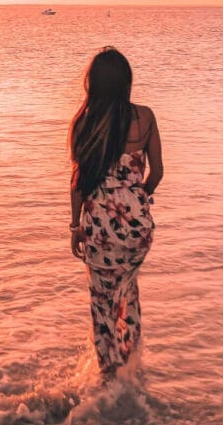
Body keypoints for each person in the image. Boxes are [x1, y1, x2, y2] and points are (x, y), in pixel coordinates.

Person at [69, 47, 163, 380]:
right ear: (126, 81)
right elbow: (158, 173)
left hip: (98, 228)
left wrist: (74, 227)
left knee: (101, 300)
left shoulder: (84, 123)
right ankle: (133, 368)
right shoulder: (146, 117)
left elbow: (79, 182)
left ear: (93, 83)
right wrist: (137, 198)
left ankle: (109, 374)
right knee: (128, 288)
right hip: (137, 229)